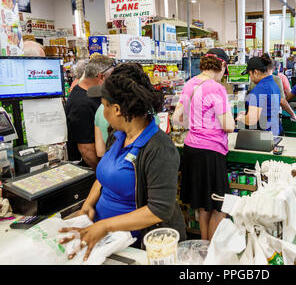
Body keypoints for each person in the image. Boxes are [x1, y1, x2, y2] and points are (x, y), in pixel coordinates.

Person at [58, 63, 186, 260]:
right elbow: (104, 176)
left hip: (134, 246)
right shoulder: (117, 135)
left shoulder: (159, 148)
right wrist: (88, 205)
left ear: (117, 109)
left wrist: (105, 225)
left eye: (104, 105)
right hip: (104, 239)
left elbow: (159, 210)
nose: (102, 110)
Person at [173, 48, 235, 241]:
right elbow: (229, 126)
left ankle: (204, 250)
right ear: (223, 65)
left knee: (203, 206)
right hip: (211, 152)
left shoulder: (190, 83)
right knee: (219, 205)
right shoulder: (216, 88)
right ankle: (213, 254)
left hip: (191, 148)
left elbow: (177, 118)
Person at [65, 55, 115, 169]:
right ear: (101, 77)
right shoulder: (81, 104)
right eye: (112, 77)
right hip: (88, 169)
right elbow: (86, 150)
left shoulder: (94, 93)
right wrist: (104, 174)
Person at [236, 56, 282, 136]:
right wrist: (248, 112)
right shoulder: (272, 84)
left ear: (255, 72)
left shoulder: (261, 88)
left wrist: (240, 118)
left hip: (262, 135)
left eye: (250, 74)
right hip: (274, 130)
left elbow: (251, 120)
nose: (250, 77)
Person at [249, 54, 296, 120]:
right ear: (273, 69)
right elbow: (282, 100)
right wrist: (292, 114)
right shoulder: (275, 80)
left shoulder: (255, 80)